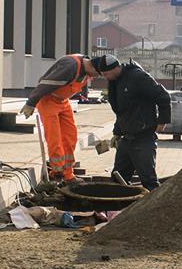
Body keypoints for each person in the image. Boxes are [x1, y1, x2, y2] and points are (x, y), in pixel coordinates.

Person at [20, 54, 122, 182]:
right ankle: (57, 174)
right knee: (54, 138)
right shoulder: (70, 66)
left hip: (63, 101)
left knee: (70, 137)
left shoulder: (86, 70)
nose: (97, 77)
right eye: (99, 74)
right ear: (94, 68)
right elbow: (45, 84)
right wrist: (31, 103)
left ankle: (68, 174)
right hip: (48, 100)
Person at [107, 59, 171, 191]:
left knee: (148, 180)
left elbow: (163, 96)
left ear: (115, 68)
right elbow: (121, 111)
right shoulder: (116, 82)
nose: (104, 77)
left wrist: (162, 121)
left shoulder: (137, 77)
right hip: (127, 138)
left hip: (144, 137)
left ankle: (155, 209)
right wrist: (117, 132)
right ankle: (116, 209)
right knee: (118, 177)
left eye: (105, 74)